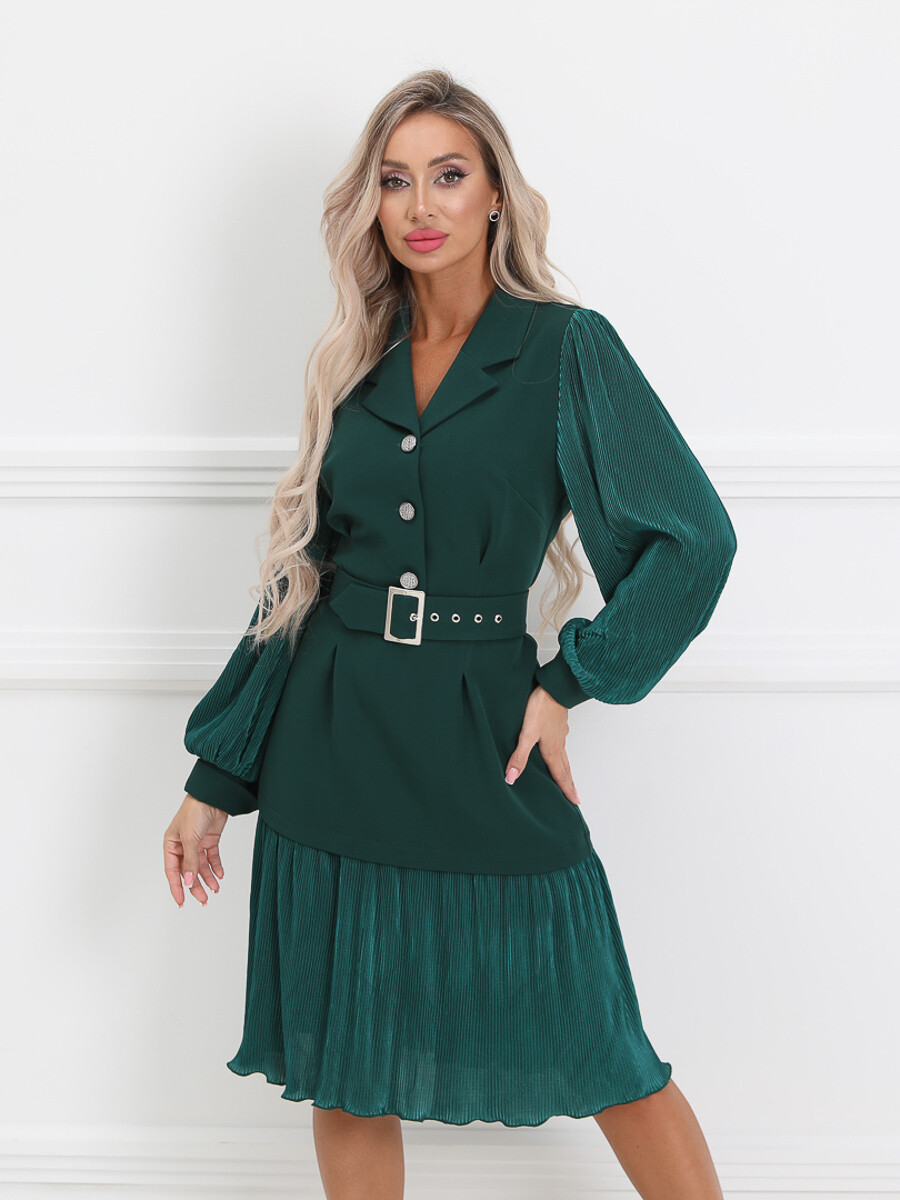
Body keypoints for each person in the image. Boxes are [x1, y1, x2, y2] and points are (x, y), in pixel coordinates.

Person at [163, 68, 736, 1200]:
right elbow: (301, 580)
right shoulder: (354, 359)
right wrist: (214, 779)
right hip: (335, 743)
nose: (420, 204)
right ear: (371, 204)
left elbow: (694, 541)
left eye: (448, 175)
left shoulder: (566, 349)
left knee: (610, 1053)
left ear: (494, 196)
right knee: (346, 1071)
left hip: (486, 740)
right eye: (394, 180)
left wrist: (571, 682)